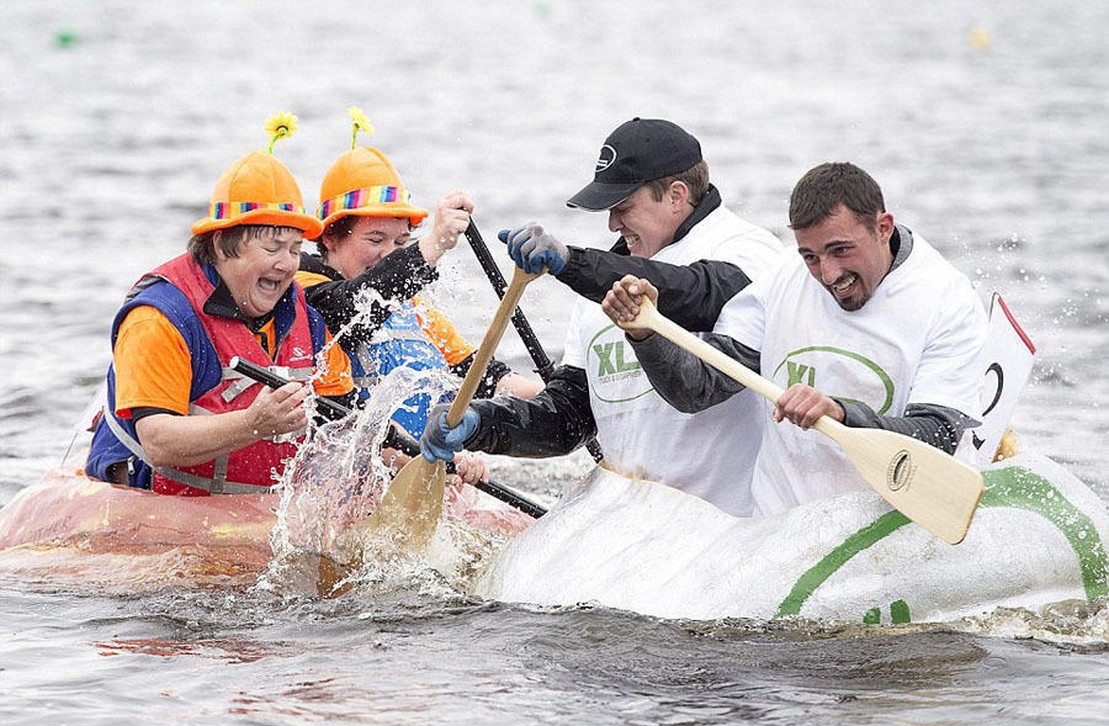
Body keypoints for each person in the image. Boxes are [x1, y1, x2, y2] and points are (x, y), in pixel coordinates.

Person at [421, 117, 784, 516]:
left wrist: (572, 265)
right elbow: (568, 419)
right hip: (634, 527)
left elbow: (692, 290)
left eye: (623, 207)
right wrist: (481, 423)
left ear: (677, 196)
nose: (612, 223)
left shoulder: (750, 252)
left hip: (731, 525)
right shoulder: (599, 288)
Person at [602, 161, 989, 515]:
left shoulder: (947, 300)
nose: (829, 274)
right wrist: (646, 334)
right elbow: (697, 390)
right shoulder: (783, 276)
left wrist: (841, 412)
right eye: (811, 256)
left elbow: (938, 436)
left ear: (883, 227)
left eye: (841, 250)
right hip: (779, 530)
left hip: (883, 529)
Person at [85, 114, 355, 495]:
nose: (286, 263)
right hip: (148, 507)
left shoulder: (303, 318)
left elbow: (349, 425)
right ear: (220, 246)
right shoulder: (158, 318)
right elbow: (158, 441)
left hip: (245, 513)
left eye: (295, 249)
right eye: (272, 247)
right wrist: (253, 423)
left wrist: (436, 456)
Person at [294, 111, 541, 483]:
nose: (389, 254)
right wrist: (435, 244)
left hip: (424, 472)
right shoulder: (304, 292)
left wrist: (559, 398)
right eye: (375, 239)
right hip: (355, 481)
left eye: (401, 242)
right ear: (329, 238)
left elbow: (480, 377)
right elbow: (351, 311)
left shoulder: (413, 309)